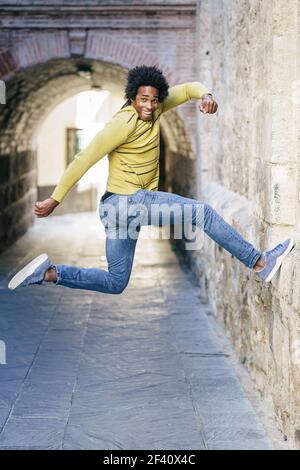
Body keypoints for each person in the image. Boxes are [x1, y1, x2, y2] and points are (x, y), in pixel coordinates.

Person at [8, 65, 294, 292]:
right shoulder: (121, 124)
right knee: (202, 213)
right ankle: (260, 262)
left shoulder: (158, 108)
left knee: (116, 282)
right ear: (132, 97)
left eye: (154, 100)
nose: (149, 105)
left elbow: (189, 89)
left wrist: (206, 95)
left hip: (114, 211)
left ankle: (49, 273)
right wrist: (54, 199)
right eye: (143, 99)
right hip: (129, 202)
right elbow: (84, 159)